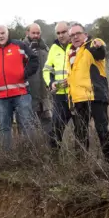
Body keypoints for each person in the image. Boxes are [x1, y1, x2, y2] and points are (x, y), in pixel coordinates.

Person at [0, 25, 38, 151]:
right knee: (4, 127)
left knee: (26, 124)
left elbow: (34, 59)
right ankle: (7, 157)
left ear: (8, 34)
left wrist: (24, 73)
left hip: (21, 93)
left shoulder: (19, 46)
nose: (1, 36)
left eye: (3, 33)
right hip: (1, 97)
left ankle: (31, 154)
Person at [66, 23, 109, 162]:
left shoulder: (91, 46)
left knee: (102, 130)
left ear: (85, 34)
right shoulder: (70, 53)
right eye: (72, 35)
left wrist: (99, 45)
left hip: (96, 96)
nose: (75, 37)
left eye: (78, 33)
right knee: (80, 133)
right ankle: (81, 165)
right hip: (78, 99)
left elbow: (101, 51)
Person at [43, 21, 72, 149]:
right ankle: (54, 158)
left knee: (81, 128)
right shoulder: (53, 48)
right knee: (56, 127)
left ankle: (81, 159)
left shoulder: (77, 45)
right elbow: (46, 70)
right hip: (60, 95)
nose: (61, 35)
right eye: (58, 33)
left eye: (63, 32)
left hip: (77, 94)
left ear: (69, 31)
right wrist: (51, 83)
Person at [23, 23, 52, 140]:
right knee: (30, 127)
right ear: (27, 33)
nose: (35, 35)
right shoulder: (21, 48)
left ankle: (50, 150)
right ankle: (34, 152)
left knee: (48, 125)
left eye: (38, 33)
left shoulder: (46, 48)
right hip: (29, 95)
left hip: (45, 96)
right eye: (33, 33)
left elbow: (51, 69)